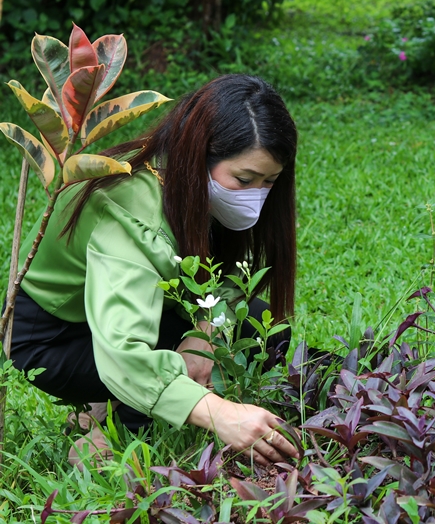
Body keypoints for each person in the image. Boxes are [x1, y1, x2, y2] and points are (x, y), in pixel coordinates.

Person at [10, 74, 300, 468]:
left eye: (269, 182)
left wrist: (207, 333)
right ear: (200, 155)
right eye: (244, 180)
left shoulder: (181, 176)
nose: (255, 195)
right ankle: (104, 437)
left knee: (259, 330)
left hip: (131, 306)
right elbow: (125, 353)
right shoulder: (132, 211)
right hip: (53, 337)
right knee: (160, 361)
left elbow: (223, 284)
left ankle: (108, 409)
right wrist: (221, 414)